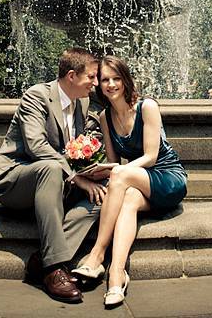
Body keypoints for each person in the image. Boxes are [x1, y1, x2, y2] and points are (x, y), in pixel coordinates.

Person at [0, 48, 107, 304]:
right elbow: (36, 147)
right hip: (17, 180)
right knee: (51, 167)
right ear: (72, 76)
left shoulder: (82, 103)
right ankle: (54, 269)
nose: (96, 84)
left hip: (56, 181)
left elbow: (85, 140)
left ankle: (42, 260)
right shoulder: (37, 96)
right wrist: (76, 178)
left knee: (106, 191)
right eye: (92, 77)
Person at [72, 55, 188, 307]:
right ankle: (117, 275)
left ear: (125, 80)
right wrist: (92, 172)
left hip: (167, 176)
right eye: (104, 80)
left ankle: (96, 255)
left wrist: (115, 170)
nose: (110, 84)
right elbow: (116, 164)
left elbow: (151, 156)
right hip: (137, 182)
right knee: (128, 203)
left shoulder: (147, 107)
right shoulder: (104, 117)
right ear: (99, 85)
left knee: (120, 176)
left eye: (115, 78)